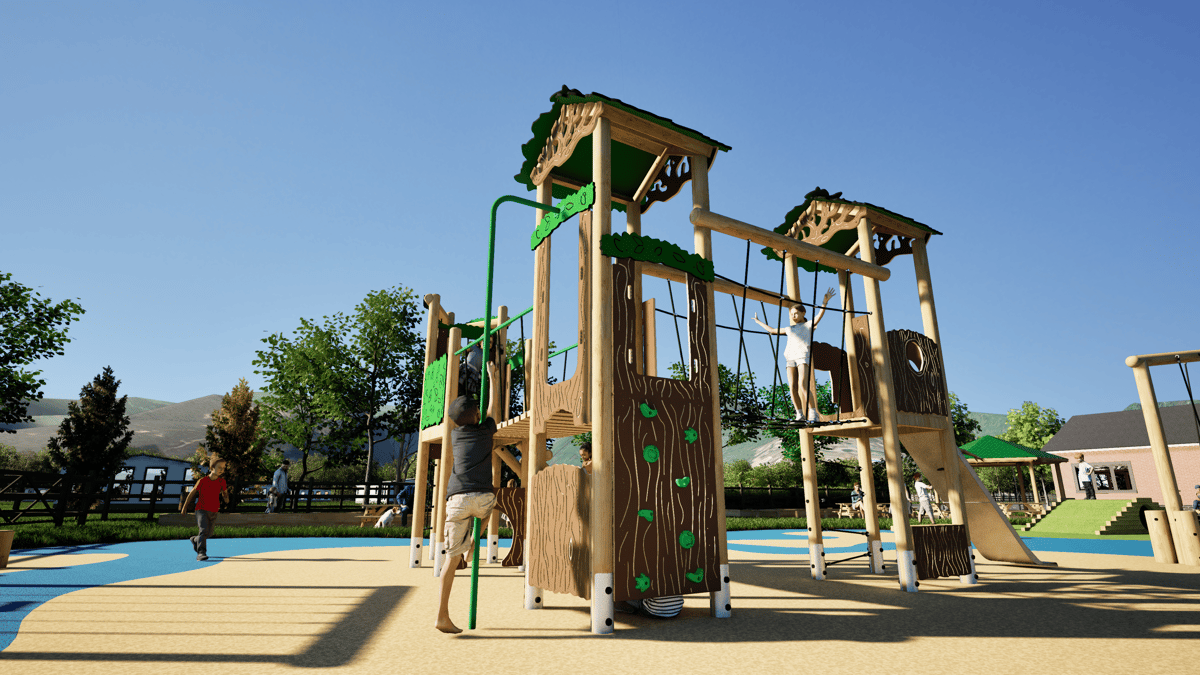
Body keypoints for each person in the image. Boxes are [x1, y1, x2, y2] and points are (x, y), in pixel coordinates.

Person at [436, 364, 500, 634]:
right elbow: (493, 411)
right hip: (481, 498)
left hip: (456, 500)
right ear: (475, 415)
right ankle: (474, 544)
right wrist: (493, 380)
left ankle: (442, 615)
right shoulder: (485, 432)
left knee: (450, 559)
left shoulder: (455, 435)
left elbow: (482, 414)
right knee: (490, 508)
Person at [753, 288, 837, 421]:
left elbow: (819, 316)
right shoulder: (789, 329)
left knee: (803, 385)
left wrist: (824, 303)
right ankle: (799, 414)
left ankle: (813, 412)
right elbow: (773, 330)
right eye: (792, 314)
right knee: (792, 387)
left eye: (796, 313)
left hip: (803, 356)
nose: (793, 316)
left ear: (803, 313)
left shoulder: (809, 325)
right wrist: (758, 322)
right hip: (790, 357)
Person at [181, 459, 228, 561]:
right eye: (219, 467)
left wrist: (226, 497)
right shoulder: (203, 481)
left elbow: (225, 492)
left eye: (223, 468)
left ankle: (195, 539)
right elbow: (192, 493)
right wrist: (184, 507)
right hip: (201, 509)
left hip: (214, 510)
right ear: (212, 468)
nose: (222, 470)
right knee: (203, 530)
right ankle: (201, 552)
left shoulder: (222, 482)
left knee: (208, 534)